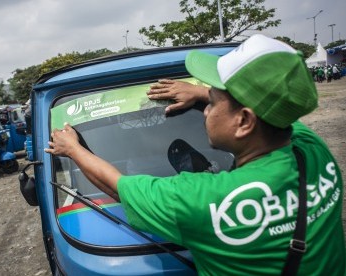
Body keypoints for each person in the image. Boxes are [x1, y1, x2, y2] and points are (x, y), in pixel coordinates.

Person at [44, 34, 345, 275]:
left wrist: (73, 149)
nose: (207, 110)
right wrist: (201, 93)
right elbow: (283, 114)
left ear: (244, 121)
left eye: (213, 101)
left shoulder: (204, 200)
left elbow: (116, 185)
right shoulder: (314, 150)